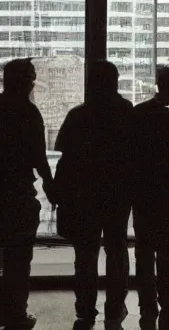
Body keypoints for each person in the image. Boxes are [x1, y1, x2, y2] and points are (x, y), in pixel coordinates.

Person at [53, 60, 133, 330]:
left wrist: (58, 192)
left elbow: (65, 160)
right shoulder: (125, 112)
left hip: (83, 196)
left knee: (85, 255)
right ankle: (114, 308)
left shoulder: (78, 116)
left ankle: (86, 310)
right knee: (116, 251)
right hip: (117, 195)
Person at [130, 66, 169, 330]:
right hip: (167, 196)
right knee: (168, 254)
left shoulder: (137, 114)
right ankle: (168, 306)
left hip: (142, 195)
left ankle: (147, 306)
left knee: (144, 252)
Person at [0, 58, 55, 330]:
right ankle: (15, 314)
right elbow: (38, 157)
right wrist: (50, 186)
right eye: (31, 77)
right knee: (18, 261)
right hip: (18, 197)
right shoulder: (28, 112)